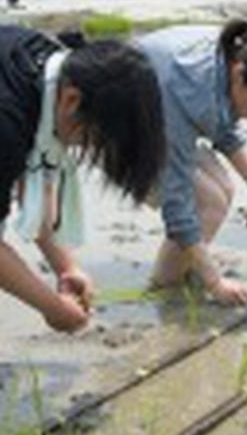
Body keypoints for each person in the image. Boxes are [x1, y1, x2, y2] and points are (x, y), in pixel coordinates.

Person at [0, 25, 166, 332]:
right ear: (72, 101)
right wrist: (50, 306)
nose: (87, 148)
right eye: (94, 139)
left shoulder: (51, 68)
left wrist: (66, 267)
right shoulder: (8, 123)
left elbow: (35, 182)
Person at [135, 22, 247, 306]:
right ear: (240, 74)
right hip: (123, 126)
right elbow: (177, 204)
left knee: (224, 188)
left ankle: (186, 269)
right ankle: (164, 290)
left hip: (158, 114)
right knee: (207, 201)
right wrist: (215, 283)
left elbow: (224, 128)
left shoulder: (231, 57)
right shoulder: (185, 88)